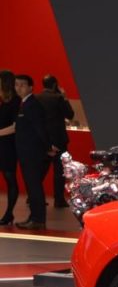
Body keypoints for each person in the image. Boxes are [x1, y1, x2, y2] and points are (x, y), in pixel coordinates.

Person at [14, 74, 50, 230]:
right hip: (26, 152)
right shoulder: (24, 104)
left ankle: (38, 219)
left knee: (34, 187)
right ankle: (34, 217)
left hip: (32, 153)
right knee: (32, 187)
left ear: (30, 87)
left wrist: (48, 147)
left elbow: (40, 128)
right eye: (16, 85)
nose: (19, 88)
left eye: (22, 85)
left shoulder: (32, 105)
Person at [36, 74, 74, 207]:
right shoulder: (58, 97)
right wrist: (64, 97)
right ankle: (59, 199)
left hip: (42, 139)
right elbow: (70, 115)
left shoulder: (36, 98)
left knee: (40, 170)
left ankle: (33, 196)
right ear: (55, 85)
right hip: (58, 139)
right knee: (59, 171)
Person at [0, 70, 20, 227]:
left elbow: (15, 126)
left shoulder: (15, 102)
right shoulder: (3, 101)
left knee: (10, 178)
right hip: (2, 143)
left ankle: (9, 213)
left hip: (8, 145)